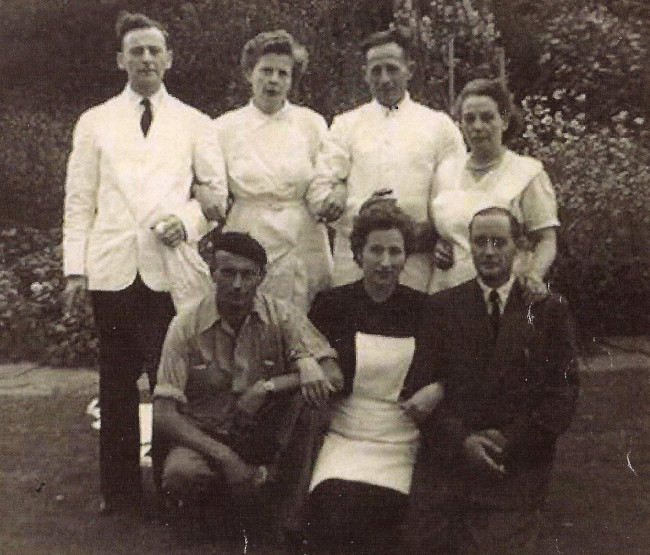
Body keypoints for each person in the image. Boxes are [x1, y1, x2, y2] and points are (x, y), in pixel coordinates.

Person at [61, 12, 227, 515]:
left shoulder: (196, 122)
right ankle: (119, 495)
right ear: (121, 60)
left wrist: (187, 220)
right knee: (114, 385)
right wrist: (75, 269)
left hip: (167, 271)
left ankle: (171, 487)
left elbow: (217, 196)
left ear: (169, 58)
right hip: (112, 270)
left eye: (155, 50)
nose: (147, 59)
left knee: (169, 386)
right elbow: (78, 200)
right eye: (136, 51)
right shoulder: (94, 121)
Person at [409, 207, 579, 554]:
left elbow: (562, 396)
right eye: (480, 242)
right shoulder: (443, 308)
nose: (488, 251)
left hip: (516, 462)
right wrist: (464, 441)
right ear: (469, 246)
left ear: (518, 247)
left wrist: (508, 440)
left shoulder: (547, 310)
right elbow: (417, 391)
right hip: (452, 460)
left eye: (498, 242)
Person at [153, 231, 342, 540]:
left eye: (247, 274)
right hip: (209, 435)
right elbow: (163, 412)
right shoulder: (185, 326)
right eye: (228, 273)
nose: (238, 284)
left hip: (266, 433)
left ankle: (286, 520)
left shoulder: (282, 315)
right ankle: (222, 514)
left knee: (313, 398)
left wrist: (268, 387)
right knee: (180, 474)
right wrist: (226, 459)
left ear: (262, 277)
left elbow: (333, 375)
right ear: (212, 273)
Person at [306, 197, 444, 554]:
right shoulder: (331, 305)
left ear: (406, 257)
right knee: (332, 515)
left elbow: (448, 369)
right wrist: (312, 364)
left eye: (395, 252)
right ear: (358, 253)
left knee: (383, 524)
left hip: (400, 438)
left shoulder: (423, 309)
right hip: (344, 436)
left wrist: (437, 389)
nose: (385, 262)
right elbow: (304, 354)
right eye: (376, 250)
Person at [314, 28, 465, 292]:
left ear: (410, 69)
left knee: (412, 326)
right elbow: (320, 192)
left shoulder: (438, 126)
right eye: (376, 70)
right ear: (365, 74)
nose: (384, 79)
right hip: (354, 261)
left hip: (417, 260)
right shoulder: (345, 125)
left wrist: (442, 236)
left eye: (392, 69)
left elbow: (455, 196)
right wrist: (360, 211)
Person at [208, 30, 333, 313]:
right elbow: (210, 185)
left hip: (302, 237)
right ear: (249, 74)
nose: (273, 80)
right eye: (265, 71)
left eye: (282, 73)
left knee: (302, 321)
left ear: (292, 80)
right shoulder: (223, 128)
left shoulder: (312, 124)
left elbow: (324, 181)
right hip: (248, 232)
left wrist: (328, 200)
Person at [429, 78, 559, 294]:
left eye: (487, 118)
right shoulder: (445, 171)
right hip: (448, 294)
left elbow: (546, 239)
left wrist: (533, 276)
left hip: (503, 296)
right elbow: (443, 232)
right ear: (460, 124)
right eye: (469, 119)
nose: (478, 127)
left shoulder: (527, 173)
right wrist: (439, 246)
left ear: (505, 121)